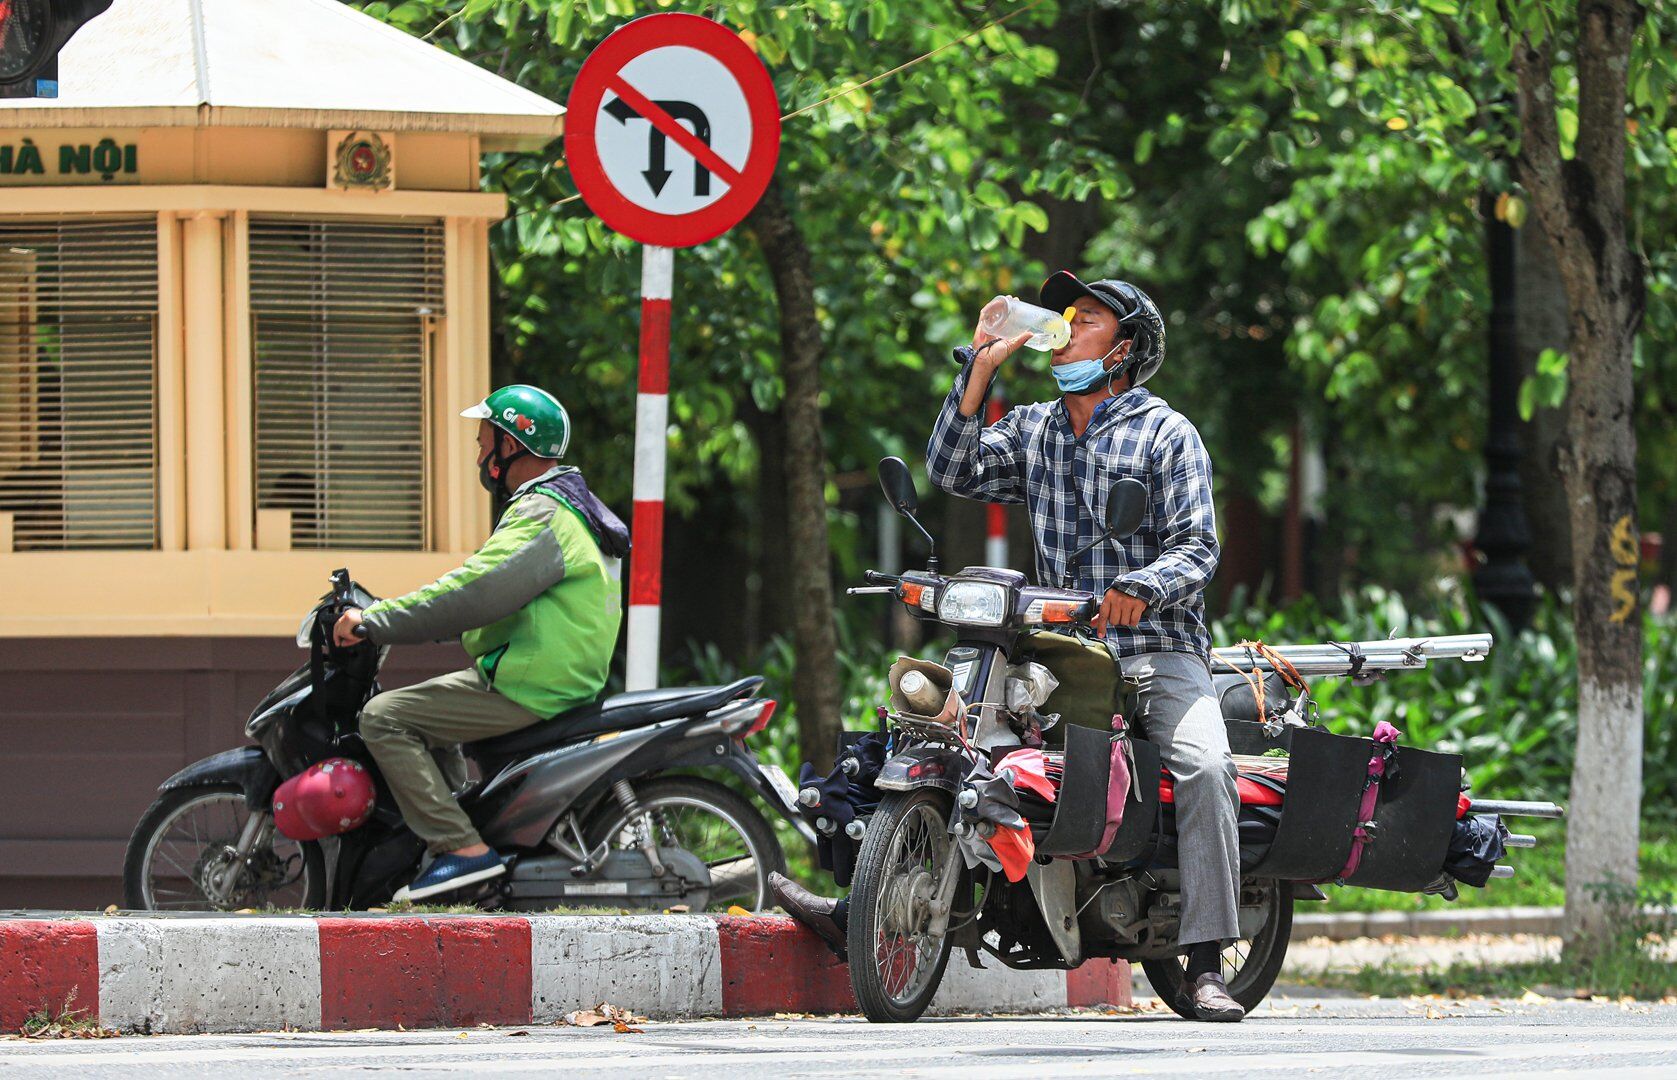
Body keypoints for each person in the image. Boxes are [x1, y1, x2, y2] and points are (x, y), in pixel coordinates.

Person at [771, 272, 1243, 1022]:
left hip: (1156, 647)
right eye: (1064, 315)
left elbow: (1196, 548)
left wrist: (1142, 587)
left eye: (1084, 319)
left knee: (1204, 764)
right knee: (938, 729)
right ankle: (865, 897)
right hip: (1056, 651)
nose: (1063, 327)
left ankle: (1208, 957)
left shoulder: (1164, 433)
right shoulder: (1035, 427)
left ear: (1122, 349)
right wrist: (980, 366)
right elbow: (954, 469)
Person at [332, 384, 627, 902]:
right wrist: (434, 620)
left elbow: (472, 591)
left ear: (511, 445)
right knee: (430, 713)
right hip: (548, 672)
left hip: (531, 682)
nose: (478, 453)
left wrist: (374, 620)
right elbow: (491, 598)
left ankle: (462, 852)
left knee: (385, 717)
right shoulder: (566, 507)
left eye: (483, 440)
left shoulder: (542, 515)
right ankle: (462, 831)